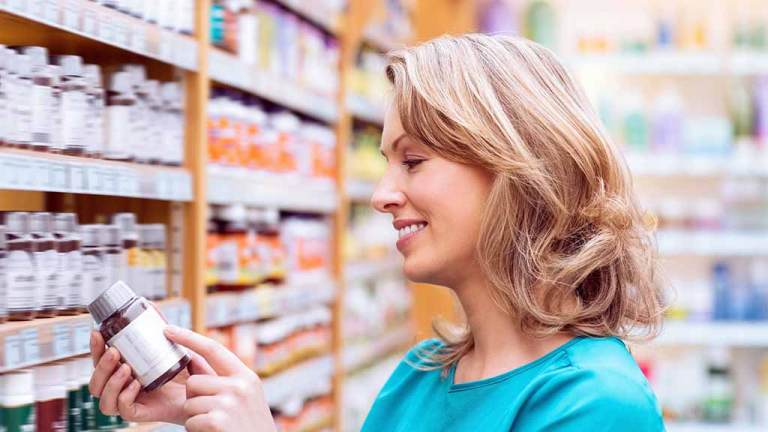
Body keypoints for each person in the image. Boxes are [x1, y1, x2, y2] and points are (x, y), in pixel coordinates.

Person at [89, 33, 666, 431]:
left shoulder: (593, 404)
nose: (381, 193)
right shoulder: (418, 375)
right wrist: (197, 407)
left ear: (517, 171)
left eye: (413, 161)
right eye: (387, 161)